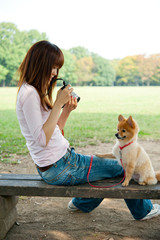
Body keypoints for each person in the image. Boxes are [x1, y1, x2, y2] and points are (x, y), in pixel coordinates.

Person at [16, 40, 160, 220]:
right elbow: (41, 139)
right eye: (52, 67)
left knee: (105, 168)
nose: (55, 73)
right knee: (123, 167)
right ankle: (143, 210)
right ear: (39, 63)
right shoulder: (29, 94)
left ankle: (81, 203)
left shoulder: (35, 92)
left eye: (57, 68)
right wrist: (58, 104)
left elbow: (55, 131)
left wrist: (66, 110)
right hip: (61, 167)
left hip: (61, 163)